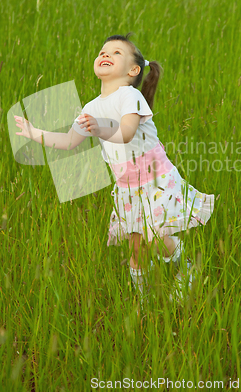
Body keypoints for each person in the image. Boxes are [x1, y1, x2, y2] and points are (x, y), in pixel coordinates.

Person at [14, 34, 214, 303]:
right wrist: (33, 132)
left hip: (155, 178)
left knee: (156, 238)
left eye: (117, 52)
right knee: (136, 247)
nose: (106, 54)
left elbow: (127, 132)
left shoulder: (130, 96)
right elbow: (68, 141)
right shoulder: (90, 107)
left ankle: (186, 267)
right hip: (126, 187)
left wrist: (100, 128)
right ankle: (145, 300)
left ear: (133, 71)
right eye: (102, 51)